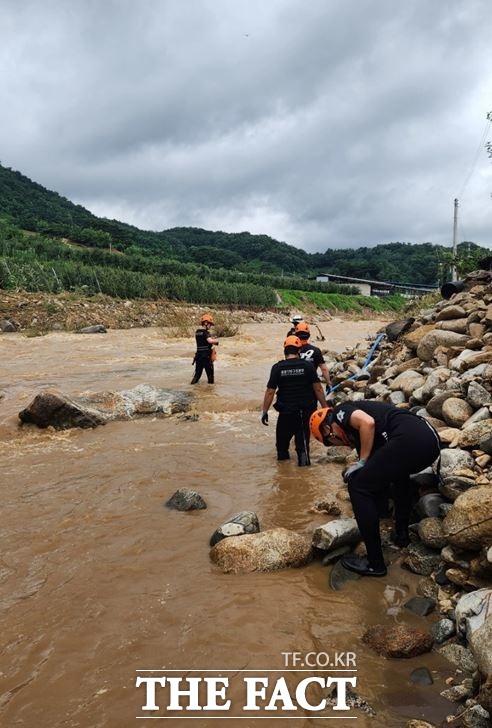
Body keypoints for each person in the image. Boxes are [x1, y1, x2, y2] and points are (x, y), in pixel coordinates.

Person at [310, 401, 441, 576]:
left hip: (410, 439)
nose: (341, 443)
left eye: (332, 440)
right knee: (396, 474)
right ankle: (401, 535)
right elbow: (379, 470)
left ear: (327, 429)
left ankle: (375, 563)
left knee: (358, 486)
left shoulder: (341, 411)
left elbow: (367, 422)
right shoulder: (364, 436)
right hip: (429, 443)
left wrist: (362, 461)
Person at [261, 335, 327, 466]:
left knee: (282, 447)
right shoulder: (308, 366)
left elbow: (270, 392)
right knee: (303, 449)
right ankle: (303, 477)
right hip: (305, 412)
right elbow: (318, 389)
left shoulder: (277, 368)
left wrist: (265, 411)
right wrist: (325, 407)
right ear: (299, 350)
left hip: (286, 412)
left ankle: (284, 478)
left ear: (285, 351)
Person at [295, 322, 331, 388]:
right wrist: (328, 383)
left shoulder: (292, 351)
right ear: (308, 335)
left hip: (295, 385)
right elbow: (324, 369)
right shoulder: (316, 350)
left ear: (296, 335)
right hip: (312, 385)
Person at [191, 313, 219, 384]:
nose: (210, 326)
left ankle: (191, 388)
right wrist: (216, 342)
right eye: (210, 324)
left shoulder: (197, 332)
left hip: (198, 357)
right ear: (206, 323)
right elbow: (209, 341)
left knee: (197, 376)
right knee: (210, 377)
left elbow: (202, 341)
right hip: (206, 358)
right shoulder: (206, 332)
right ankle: (210, 393)